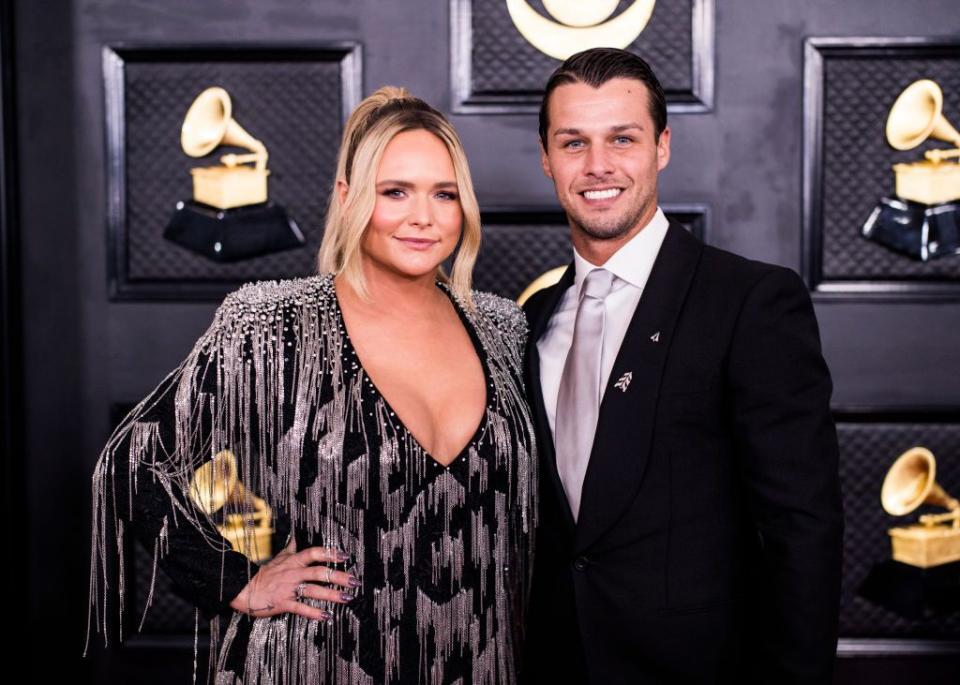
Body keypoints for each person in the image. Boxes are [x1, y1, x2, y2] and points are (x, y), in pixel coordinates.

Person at [86, 86, 537, 684]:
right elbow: (146, 456)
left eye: (444, 194)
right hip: (313, 661)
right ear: (348, 198)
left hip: (480, 662)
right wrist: (246, 570)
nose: (423, 216)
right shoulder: (273, 323)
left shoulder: (501, 329)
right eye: (395, 191)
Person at [521, 48, 844, 684]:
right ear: (546, 158)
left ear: (662, 146)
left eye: (623, 138)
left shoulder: (749, 301)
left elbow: (801, 528)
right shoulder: (532, 317)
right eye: (573, 143)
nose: (598, 166)